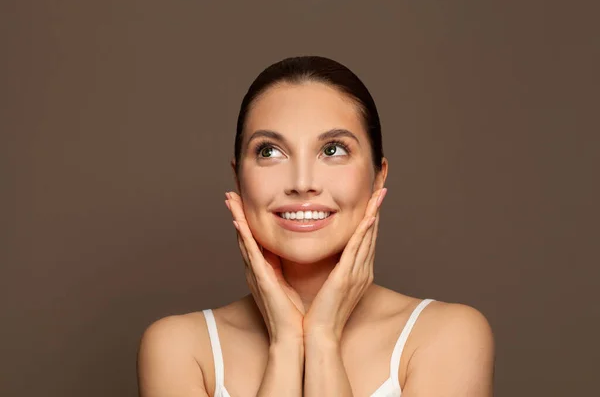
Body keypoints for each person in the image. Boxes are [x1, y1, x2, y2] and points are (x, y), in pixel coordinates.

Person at [137, 56, 495, 396]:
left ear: (377, 176)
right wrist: (286, 343)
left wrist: (322, 338)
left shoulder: (447, 336)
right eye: (269, 152)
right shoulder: (181, 349)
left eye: (333, 150)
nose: (302, 182)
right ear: (238, 178)